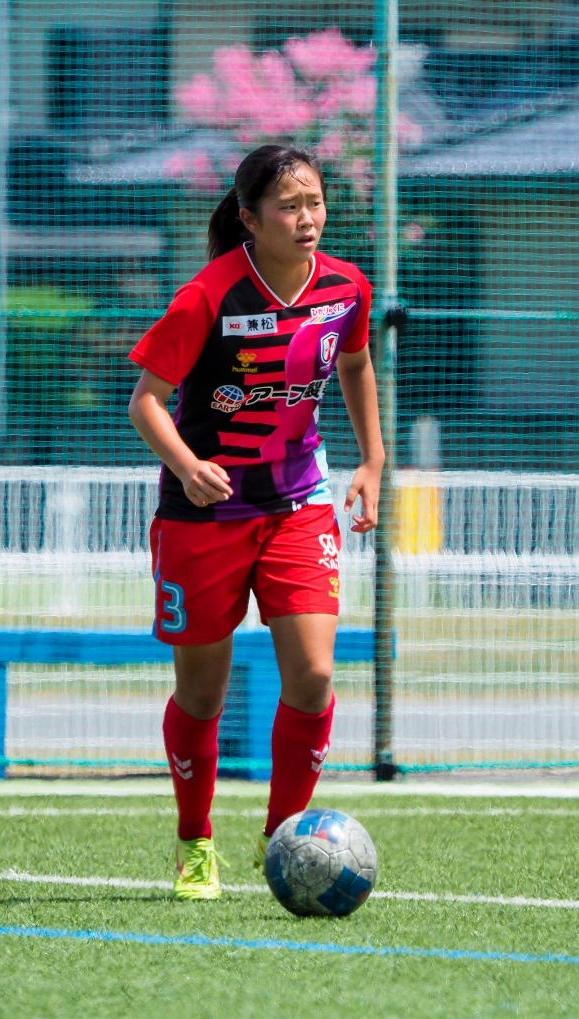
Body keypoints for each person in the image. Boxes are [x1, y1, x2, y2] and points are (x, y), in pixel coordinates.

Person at [128, 144, 383, 900]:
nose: (308, 220)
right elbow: (146, 400)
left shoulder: (346, 287)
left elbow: (356, 364)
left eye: (315, 203)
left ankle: (286, 839)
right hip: (205, 514)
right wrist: (186, 464)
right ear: (249, 218)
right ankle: (194, 842)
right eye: (288, 207)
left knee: (312, 675)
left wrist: (372, 462)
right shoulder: (208, 296)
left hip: (299, 501)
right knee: (202, 696)